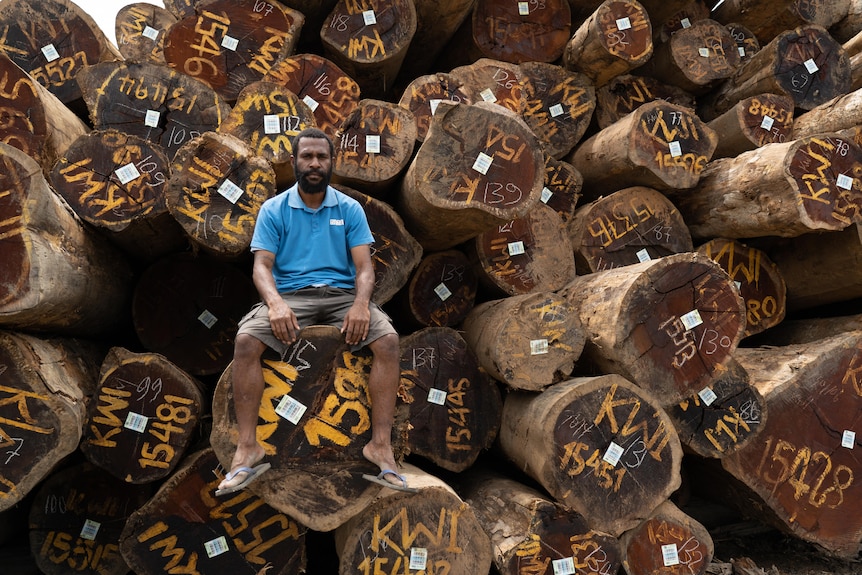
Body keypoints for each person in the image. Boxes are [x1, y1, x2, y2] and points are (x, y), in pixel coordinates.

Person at [216, 127, 409, 496]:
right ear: (294, 162)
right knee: (244, 341)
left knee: (387, 341)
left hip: (341, 297)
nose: (315, 164)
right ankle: (247, 448)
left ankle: (380, 447)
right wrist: (274, 304)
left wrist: (359, 304)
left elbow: (365, 269)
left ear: (331, 162)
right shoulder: (274, 209)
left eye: (322, 157)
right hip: (292, 297)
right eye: (307, 157)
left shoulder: (349, 208)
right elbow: (261, 267)